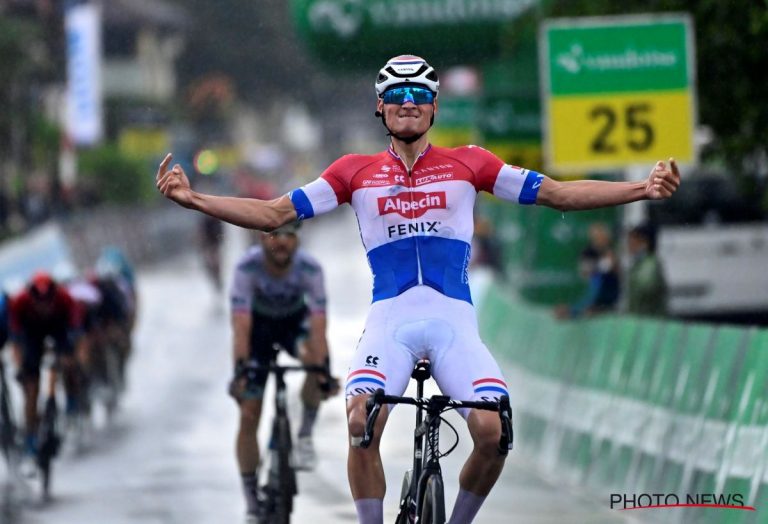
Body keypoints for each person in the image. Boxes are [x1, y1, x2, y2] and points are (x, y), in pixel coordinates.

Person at [156, 55, 680, 524]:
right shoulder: (352, 172)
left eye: (419, 96)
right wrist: (195, 199)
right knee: (361, 422)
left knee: (495, 433)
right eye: (396, 97)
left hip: (455, 324)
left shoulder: (471, 163)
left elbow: (559, 194)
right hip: (392, 322)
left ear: (434, 108)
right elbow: (274, 214)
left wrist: (641, 188)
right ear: (380, 110)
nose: (408, 104)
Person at [228, 221, 338, 519]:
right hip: (257, 330)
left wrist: (323, 368)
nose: (282, 241)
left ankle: (303, 436)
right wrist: (240, 370)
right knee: (249, 412)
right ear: (262, 238)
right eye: (274, 234)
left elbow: (318, 324)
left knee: (316, 361)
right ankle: (252, 501)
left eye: (290, 234)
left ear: (297, 239)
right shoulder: (247, 268)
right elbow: (240, 326)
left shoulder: (309, 268)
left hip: (294, 326)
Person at [9, 271, 85, 466]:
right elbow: (16, 342)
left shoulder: (64, 299)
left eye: (47, 302)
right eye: (39, 302)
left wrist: (73, 359)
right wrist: (21, 368)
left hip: (58, 326)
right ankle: (30, 437)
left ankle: (71, 402)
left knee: (69, 364)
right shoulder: (20, 302)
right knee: (31, 387)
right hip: (32, 332)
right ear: (31, 298)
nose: (43, 306)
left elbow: (76, 333)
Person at [554, 222, 620, 319]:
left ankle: (575, 310)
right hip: (597, 285)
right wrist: (603, 265)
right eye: (597, 237)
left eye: (602, 236)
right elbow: (586, 272)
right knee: (596, 283)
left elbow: (614, 268)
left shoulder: (612, 250)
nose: (600, 239)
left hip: (610, 287)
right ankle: (574, 310)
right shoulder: (588, 252)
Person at [626, 223, 668, 316]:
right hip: (645, 323)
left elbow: (645, 288)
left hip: (650, 323)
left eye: (632, 241)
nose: (629, 245)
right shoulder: (639, 264)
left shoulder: (649, 265)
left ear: (644, 243)